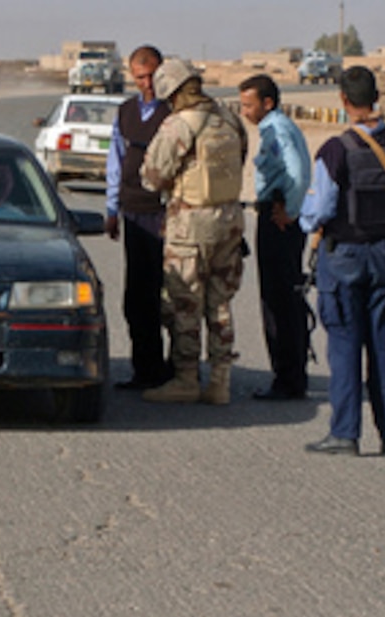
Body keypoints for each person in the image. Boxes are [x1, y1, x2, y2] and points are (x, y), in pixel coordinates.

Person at [299, 66, 385, 456]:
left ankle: (345, 433)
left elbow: (319, 210)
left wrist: (306, 222)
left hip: (344, 258)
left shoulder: (335, 150)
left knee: (344, 346)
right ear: (377, 98)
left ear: (342, 100)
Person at [140, 58, 248, 405]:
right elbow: (240, 158)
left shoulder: (179, 126)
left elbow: (152, 176)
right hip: (230, 219)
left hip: (191, 224)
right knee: (220, 303)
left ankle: (186, 378)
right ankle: (220, 381)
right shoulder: (229, 118)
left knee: (185, 302)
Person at [238, 73, 312, 401]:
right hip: (277, 213)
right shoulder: (275, 127)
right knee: (284, 299)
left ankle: (287, 378)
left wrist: (292, 210)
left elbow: (296, 171)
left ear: (267, 103)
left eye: (248, 105)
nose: (244, 112)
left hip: (278, 216)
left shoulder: (277, 129)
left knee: (279, 301)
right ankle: (290, 374)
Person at [104, 45, 173, 390]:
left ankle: (175, 372)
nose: (147, 83)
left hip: (166, 215)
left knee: (172, 297)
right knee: (138, 297)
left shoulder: (175, 112)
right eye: (140, 76)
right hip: (133, 213)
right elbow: (115, 160)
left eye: (152, 76)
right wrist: (112, 209)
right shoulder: (126, 112)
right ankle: (144, 369)